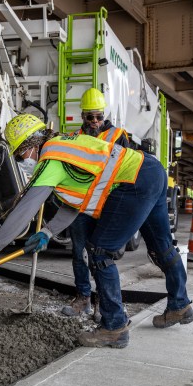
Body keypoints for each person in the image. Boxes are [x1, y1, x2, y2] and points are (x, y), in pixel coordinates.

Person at [0, 114, 192, 349]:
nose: (22, 160)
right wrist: (48, 232)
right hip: (151, 170)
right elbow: (78, 201)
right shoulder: (65, 145)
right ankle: (180, 305)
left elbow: (25, 210)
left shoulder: (50, 159)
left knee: (100, 252)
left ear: (30, 145)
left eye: (20, 153)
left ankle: (114, 327)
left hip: (134, 181)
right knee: (161, 246)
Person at [62, 87, 130, 319]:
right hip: (80, 206)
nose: (94, 121)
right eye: (90, 117)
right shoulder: (74, 138)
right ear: (82, 116)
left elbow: (125, 171)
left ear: (104, 115)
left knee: (101, 255)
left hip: (106, 207)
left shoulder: (117, 135)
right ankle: (83, 298)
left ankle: (103, 302)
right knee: (79, 253)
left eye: (98, 116)